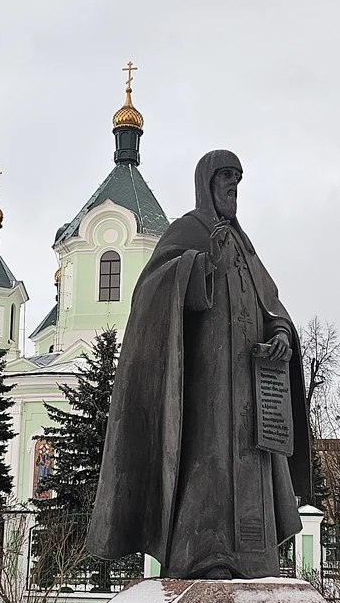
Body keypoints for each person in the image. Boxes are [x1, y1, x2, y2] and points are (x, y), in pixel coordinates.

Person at [87, 149, 311, 578]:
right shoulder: (188, 230)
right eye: (226, 177)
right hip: (205, 385)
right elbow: (151, 290)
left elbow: (271, 303)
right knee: (207, 460)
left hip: (250, 382)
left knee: (251, 458)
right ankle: (206, 556)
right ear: (206, 183)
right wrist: (205, 265)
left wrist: (281, 334)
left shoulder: (244, 245)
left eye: (238, 179)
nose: (233, 187)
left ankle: (255, 557)